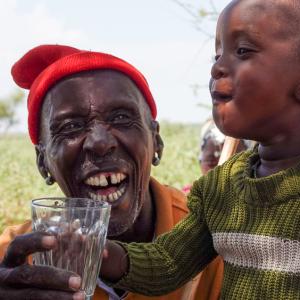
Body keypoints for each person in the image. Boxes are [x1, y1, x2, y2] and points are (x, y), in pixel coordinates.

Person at [99, 0, 300, 299]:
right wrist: (102, 253)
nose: (217, 68)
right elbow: (169, 264)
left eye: (241, 51)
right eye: (218, 54)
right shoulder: (221, 187)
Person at [0, 44, 223, 300]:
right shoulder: (16, 265)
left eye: (120, 118)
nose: (99, 143)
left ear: (156, 142)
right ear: (43, 163)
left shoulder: (215, 237)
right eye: (71, 126)